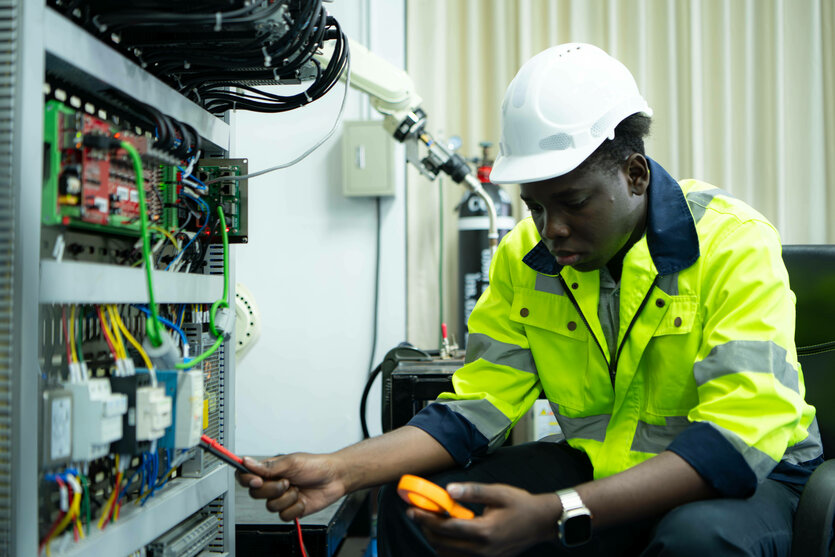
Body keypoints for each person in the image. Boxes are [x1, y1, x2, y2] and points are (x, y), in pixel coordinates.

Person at [238, 43, 822, 556]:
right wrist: (340, 471)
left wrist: (554, 513)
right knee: (424, 508)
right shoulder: (526, 257)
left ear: (635, 175)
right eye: (536, 207)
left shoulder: (732, 242)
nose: (552, 229)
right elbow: (475, 410)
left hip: (751, 480)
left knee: (698, 540)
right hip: (604, 468)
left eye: (573, 203)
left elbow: (734, 443)